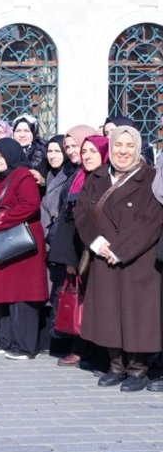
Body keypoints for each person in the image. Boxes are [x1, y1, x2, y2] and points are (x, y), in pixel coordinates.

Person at [76, 126, 163, 392]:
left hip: (138, 260)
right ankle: (115, 366)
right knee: (109, 312)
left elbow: (152, 220)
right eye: (118, 145)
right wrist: (97, 243)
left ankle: (138, 369)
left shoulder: (150, 177)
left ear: (137, 149)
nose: (123, 151)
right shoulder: (97, 176)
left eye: (129, 146)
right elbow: (82, 213)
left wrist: (120, 250)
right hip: (103, 256)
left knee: (137, 315)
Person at [0, 138, 48, 360]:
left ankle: (25, 346)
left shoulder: (22, 175)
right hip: (8, 243)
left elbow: (30, 205)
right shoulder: (3, 177)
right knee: (6, 293)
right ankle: (7, 340)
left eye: (1, 155)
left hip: (22, 245)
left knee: (23, 295)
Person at [47, 133, 108, 366]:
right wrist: (69, 259)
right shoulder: (77, 176)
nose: (86, 156)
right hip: (79, 249)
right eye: (84, 151)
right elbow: (68, 218)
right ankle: (81, 348)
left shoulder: (108, 178)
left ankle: (99, 352)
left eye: (92, 151)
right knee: (83, 302)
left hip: (102, 249)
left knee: (99, 302)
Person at [12, 115, 48, 186]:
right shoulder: (8, 152)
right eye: (18, 131)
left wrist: (43, 181)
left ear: (33, 133)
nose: (22, 135)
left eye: (26, 131)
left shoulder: (43, 152)